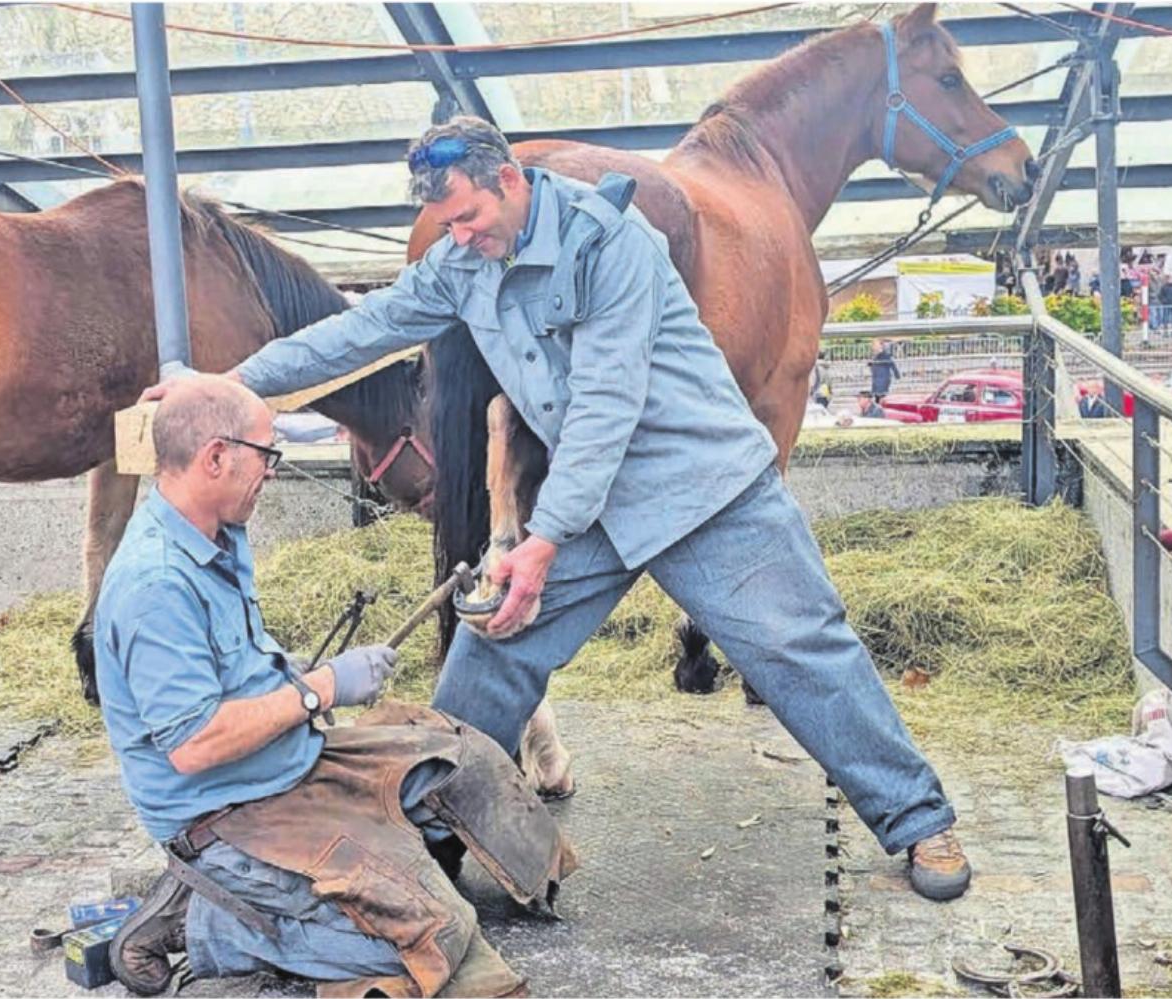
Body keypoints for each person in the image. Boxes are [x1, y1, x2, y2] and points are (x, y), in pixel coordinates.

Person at [162, 115, 972, 900]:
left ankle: (918, 820)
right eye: (447, 225)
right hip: (595, 503)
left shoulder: (610, 241)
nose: (460, 237)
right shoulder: (462, 259)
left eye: (469, 217)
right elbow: (361, 330)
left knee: (802, 646)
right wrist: (228, 384)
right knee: (492, 649)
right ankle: (433, 838)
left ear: (509, 179)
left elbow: (605, 406)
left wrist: (542, 538)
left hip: (704, 488)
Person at [97, 375, 575, 996]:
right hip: (226, 812)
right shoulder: (155, 585)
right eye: (265, 454)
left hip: (284, 760)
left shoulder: (216, 529)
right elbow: (194, 746)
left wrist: (285, 672)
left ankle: (367, 880)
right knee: (438, 936)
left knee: (461, 760)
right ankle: (210, 920)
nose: (272, 471)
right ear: (215, 457)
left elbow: (228, 664)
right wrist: (320, 689)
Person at [869, 337, 901, 403]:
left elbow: (892, 364)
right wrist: (871, 365)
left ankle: (880, 407)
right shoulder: (876, 355)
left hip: (883, 379)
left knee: (880, 396)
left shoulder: (885, 355)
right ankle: (879, 406)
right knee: (878, 396)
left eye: (875, 345)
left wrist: (897, 375)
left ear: (881, 345)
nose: (873, 346)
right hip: (877, 379)